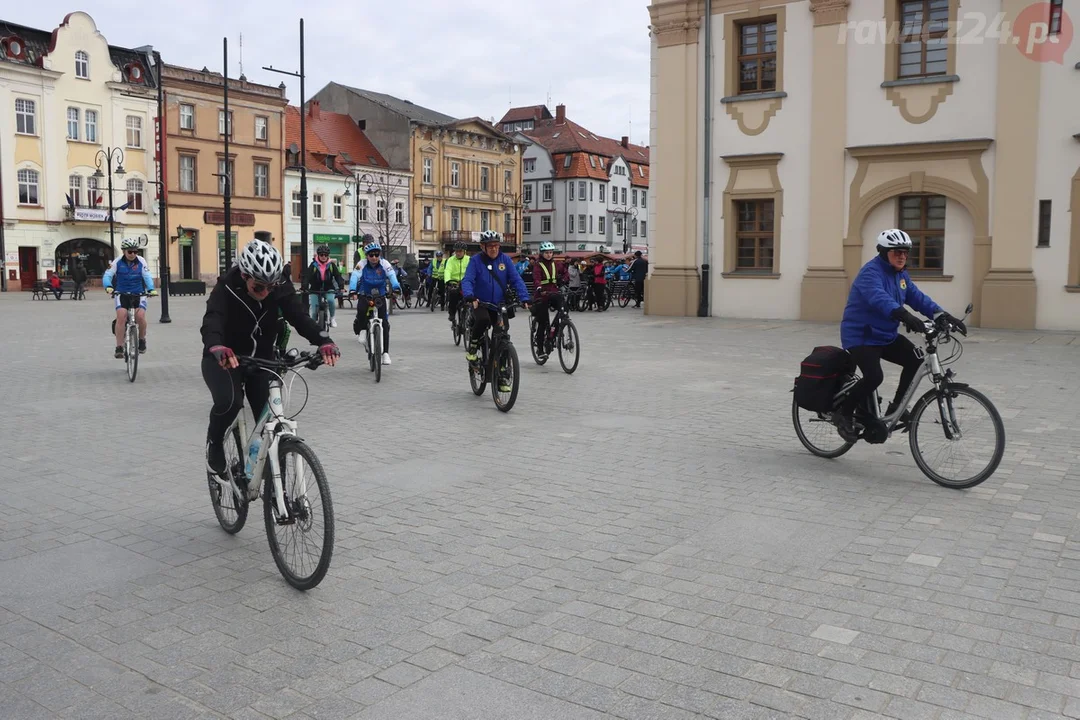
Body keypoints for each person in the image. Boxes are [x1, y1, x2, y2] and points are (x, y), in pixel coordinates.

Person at [201, 238, 339, 479]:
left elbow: (299, 316)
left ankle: (276, 490)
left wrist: (324, 340)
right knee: (231, 402)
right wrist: (217, 346)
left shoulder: (278, 285)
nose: (265, 293)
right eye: (259, 287)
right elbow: (212, 319)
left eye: (271, 287)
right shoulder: (227, 286)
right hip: (226, 358)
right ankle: (214, 445)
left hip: (262, 360)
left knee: (270, 423)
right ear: (245, 276)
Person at [837, 229, 967, 436]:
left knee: (915, 361)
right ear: (883, 252)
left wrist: (942, 316)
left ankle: (896, 408)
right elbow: (879, 298)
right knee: (874, 377)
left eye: (905, 252)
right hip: (862, 335)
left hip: (885, 335)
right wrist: (904, 315)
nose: (902, 256)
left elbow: (917, 297)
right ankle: (843, 413)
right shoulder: (870, 273)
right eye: (897, 252)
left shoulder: (901, 275)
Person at [461, 231, 531, 387]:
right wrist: (469, 295)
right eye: (490, 246)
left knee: (502, 336)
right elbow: (468, 279)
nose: (494, 249)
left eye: (496, 245)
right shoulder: (475, 261)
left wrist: (524, 297)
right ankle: (473, 347)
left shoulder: (505, 260)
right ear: (483, 246)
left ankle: (501, 374)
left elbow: (516, 280)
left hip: (499, 304)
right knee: (483, 319)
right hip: (480, 302)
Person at [349, 240, 400, 365]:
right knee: (361, 309)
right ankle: (362, 330)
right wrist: (352, 290)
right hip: (365, 293)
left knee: (385, 324)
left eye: (377, 255)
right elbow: (355, 276)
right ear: (367, 255)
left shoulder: (384, 263)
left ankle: (386, 354)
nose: (374, 257)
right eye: (371, 255)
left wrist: (396, 287)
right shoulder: (361, 264)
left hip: (380, 295)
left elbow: (392, 275)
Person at [104, 238, 156, 358]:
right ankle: (119, 347)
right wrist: (108, 286)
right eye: (130, 252)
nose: (133, 254)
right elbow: (107, 275)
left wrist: (151, 289)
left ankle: (142, 340)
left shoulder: (141, 261)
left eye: (135, 251)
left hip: (138, 293)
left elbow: (147, 276)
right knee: (121, 317)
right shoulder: (116, 262)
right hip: (121, 293)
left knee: (140, 316)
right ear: (123, 251)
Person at [530, 242, 567, 355]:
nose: (549, 255)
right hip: (542, 295)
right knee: (543, 321)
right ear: (542, 253)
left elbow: (565, 273)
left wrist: (563, 281)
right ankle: (540, 348)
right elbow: (536, 278)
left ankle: (553, 332)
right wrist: (539, 287)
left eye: (551, 252)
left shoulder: (557, 264)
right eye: (546, 253)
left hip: (554, 293)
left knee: (564, 308)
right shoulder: (538, 265)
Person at [306, 245, 343, 327]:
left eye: (325, 255)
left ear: (328, 256)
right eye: (321, 255)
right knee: (314, 309)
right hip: (315, 289)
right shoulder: (313, 265)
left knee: (331, 301)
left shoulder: (331, 265)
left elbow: (338, 276)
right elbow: (307, 276)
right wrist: (304, 286)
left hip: (328, 288)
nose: (323, 257)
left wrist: (341, 287)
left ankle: (332, 318)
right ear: (318, 255)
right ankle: (313, 323)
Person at [443, 242, 469, 325]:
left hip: (466, 282)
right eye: (457, 251)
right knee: (453, 295)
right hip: (454, 281)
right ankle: (452, 314)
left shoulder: (469, 259)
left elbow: (473, 271)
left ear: (464, 251)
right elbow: (448, 270)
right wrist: (448, 281)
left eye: (460, 251)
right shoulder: (451, 260)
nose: (458, 253)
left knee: (471, 297)